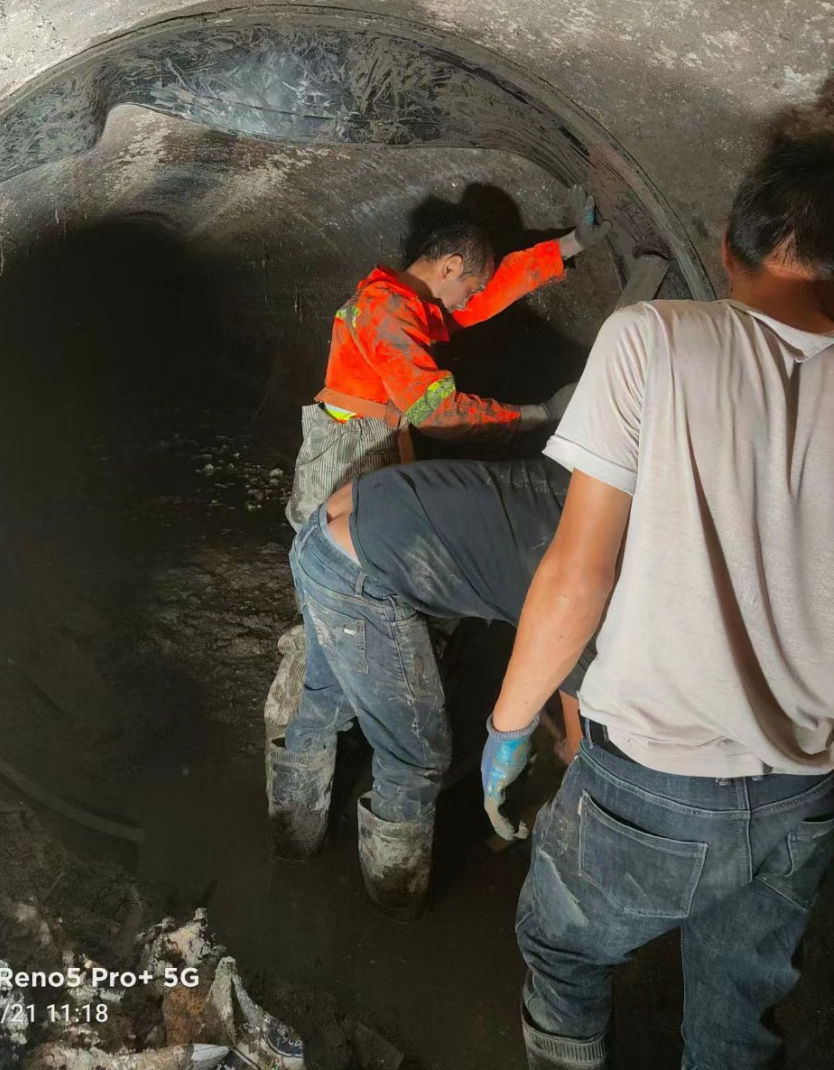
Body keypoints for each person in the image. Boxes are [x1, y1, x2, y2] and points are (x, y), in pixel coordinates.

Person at [481, 128, 834, 1069]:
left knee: (562, 944)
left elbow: (576, 572)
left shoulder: (652, 338)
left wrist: (509, 725)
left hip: (653, 784)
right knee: (734, 1016)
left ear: (726, 244)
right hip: (805, 788)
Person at [267, 455, 582, 919]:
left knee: (325, 702)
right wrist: (568, 754)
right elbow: (570, 660)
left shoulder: (576, 484)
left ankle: (290, 841)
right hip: (360, 573)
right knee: (415, 756)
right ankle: (393, 900)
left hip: (319, 540)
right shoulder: (595, 570)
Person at [285, 191, 612, 531]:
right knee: (342, 557)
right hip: (349, 452)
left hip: (364, 440)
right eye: (470, 288)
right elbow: (437, 414)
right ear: (451, 266)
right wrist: (536, 414)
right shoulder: (385, 310)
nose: (467, 300)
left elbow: (492, 293)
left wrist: (571, 243)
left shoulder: (402, 303)